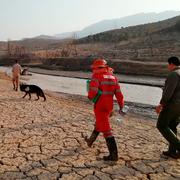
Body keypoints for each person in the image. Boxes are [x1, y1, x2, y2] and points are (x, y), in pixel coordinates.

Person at [85, 59, 124, 161]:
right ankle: (90, 141)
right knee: (99, 124)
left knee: (106, 130)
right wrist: (121, 106)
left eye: (93, 68)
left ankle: (113, 155)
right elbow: (119, 94)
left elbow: (93, 91)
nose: (93, 70)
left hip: (100, 106)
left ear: (97, 68)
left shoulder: (96, 76)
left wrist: (90, 97)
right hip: (109, 106)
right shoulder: (114, 78)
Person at [156, 56, 180, 159]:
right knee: (172, 126)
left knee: (161, 125)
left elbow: (168, 92)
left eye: (168, 65)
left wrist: (161, 104)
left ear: (171, 64)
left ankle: (178, 146)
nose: (168, 67)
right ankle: (172, 152)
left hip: (173, 105)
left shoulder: (174, 74)